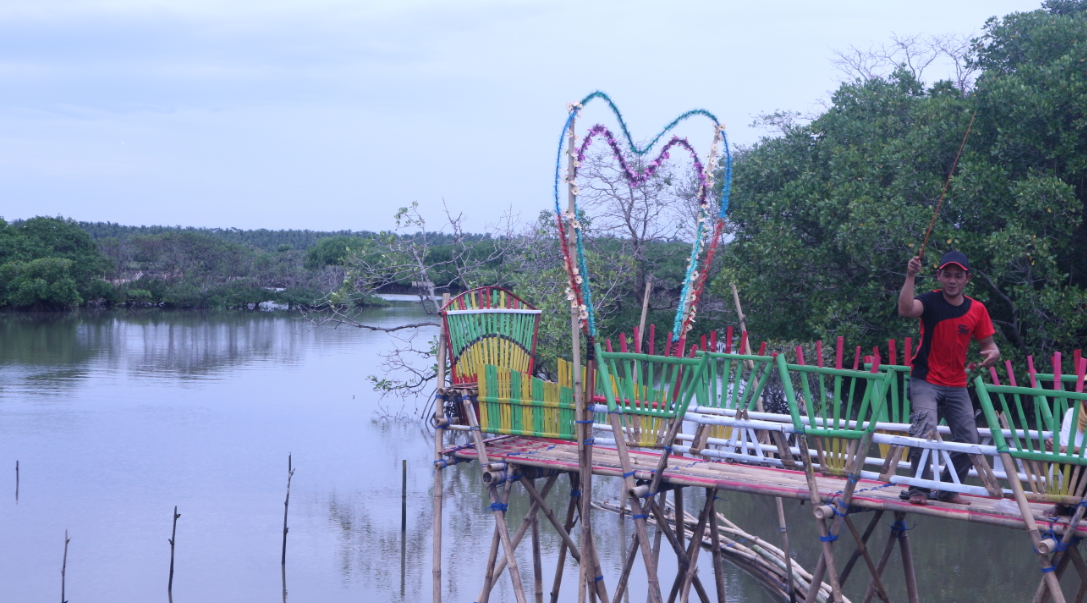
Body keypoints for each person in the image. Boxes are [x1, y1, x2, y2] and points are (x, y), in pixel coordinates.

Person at [898, 250, 1000, 506]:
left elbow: (990, 345)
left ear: (967, 279)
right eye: (947, 275)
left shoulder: (977, 309)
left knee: (970, 438)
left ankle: (947, 489)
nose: (952, 280)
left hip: (956, 384)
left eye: (958, 276)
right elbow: (906, 309)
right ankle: (918, 489)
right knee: (925, 428)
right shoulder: (930, 301)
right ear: (939, 276)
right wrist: (910, 275)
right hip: (925, 379)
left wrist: (993, 354)